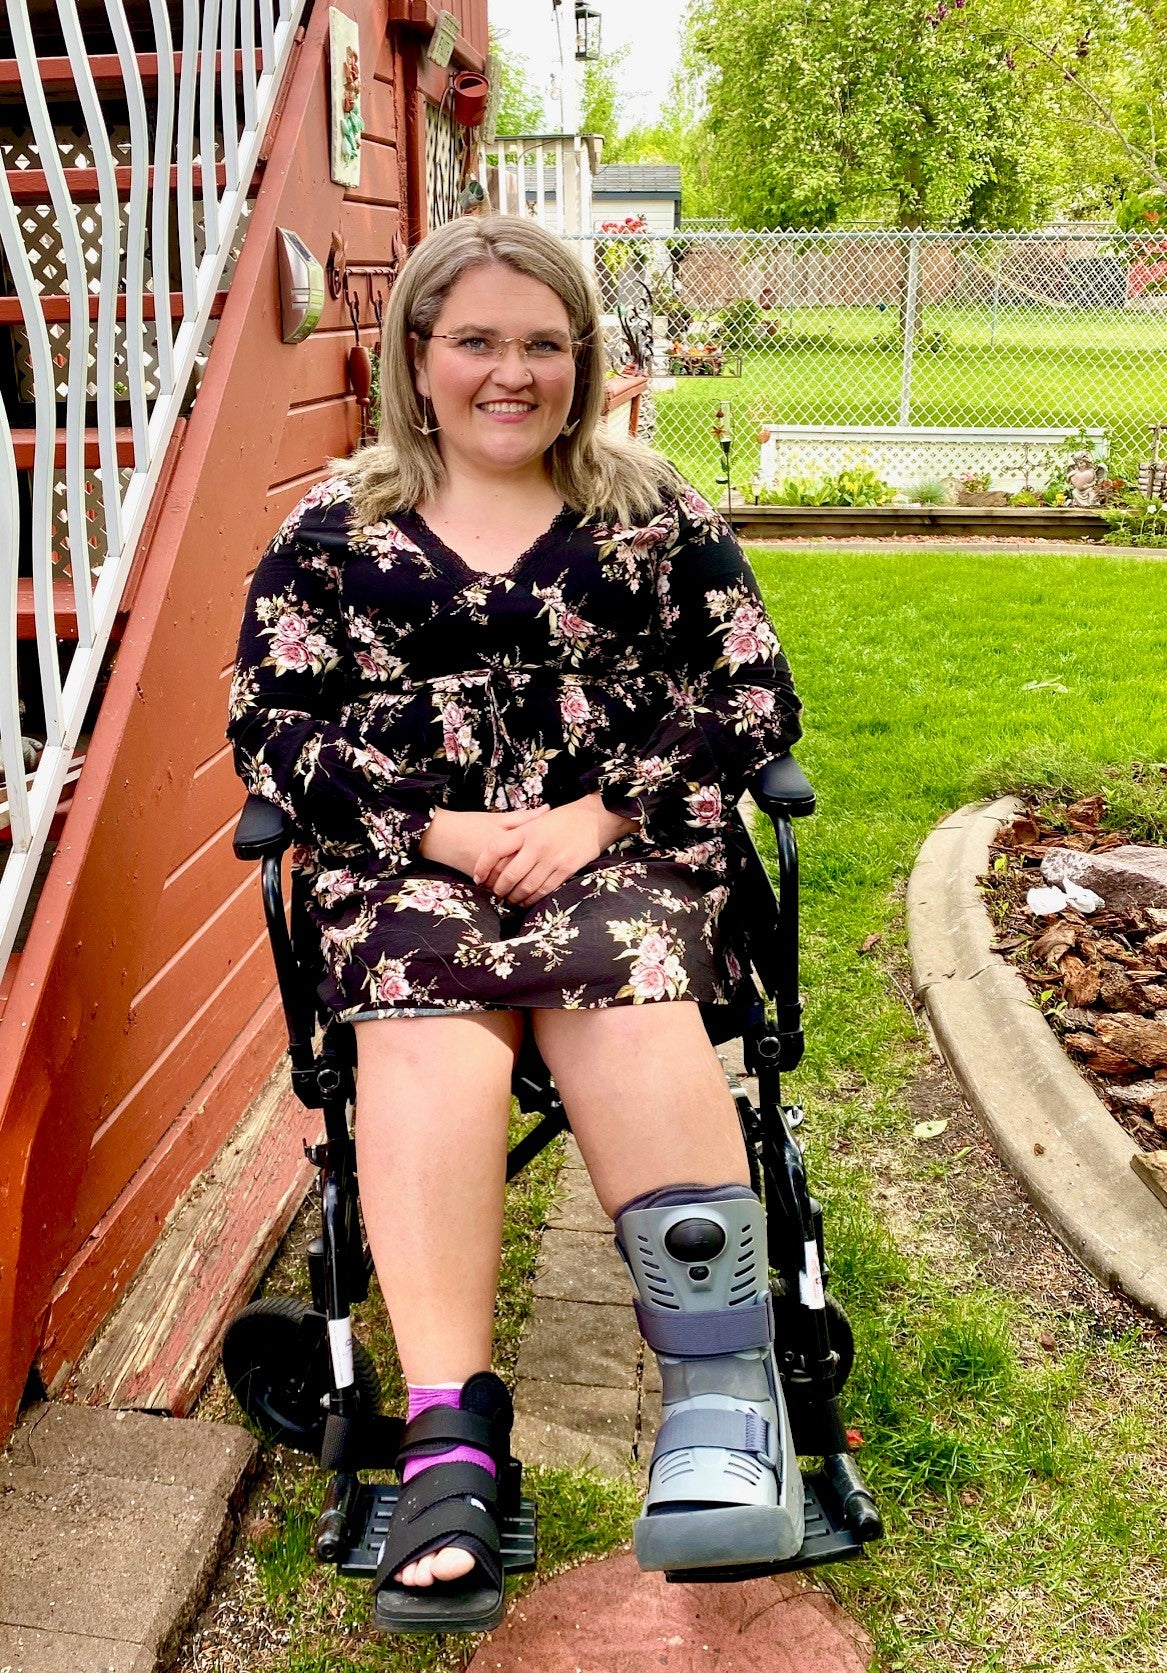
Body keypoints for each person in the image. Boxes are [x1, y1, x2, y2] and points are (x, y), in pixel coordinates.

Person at [228, 214, 805, 1634]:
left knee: (623, 968)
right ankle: (447, 1436)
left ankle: (724, 1397)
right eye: (476, 340)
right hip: (408, 859)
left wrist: (598, 816)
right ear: (418, 358)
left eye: (544, 343)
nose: (512, 371)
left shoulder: (654, 516)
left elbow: (749, 700)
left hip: (614, 846)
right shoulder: (330, 532)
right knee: (424, 1005)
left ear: (586, 358)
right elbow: (270, 724)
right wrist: (441, 829)